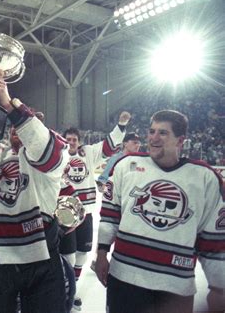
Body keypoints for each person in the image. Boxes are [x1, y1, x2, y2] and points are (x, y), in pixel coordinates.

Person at [0, 67, 70, 313]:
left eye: (24, 126)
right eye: (14, 126)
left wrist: (10, 104)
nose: (17, 130)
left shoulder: (50, 156)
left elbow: (42, 146)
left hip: (41, 254)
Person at [95, 110, 224, 313]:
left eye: (163, 133)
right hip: (124, 277)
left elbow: (213, 239)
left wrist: (219, 288)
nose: (154, 138)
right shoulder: (126, 166)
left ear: (180, 140)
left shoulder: (205, 178)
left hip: (175, 287)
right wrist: (102, 252)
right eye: (152, 131)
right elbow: (110, 215)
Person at [60, 112, 130, 310]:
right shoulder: (56, 155)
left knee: (82, 254)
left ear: (80, 142)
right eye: (68, 139)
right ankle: (65, 291)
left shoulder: (88, 153)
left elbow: (107, 146)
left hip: (86, 213)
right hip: (64, 215)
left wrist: (121, 125)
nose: (71, 142)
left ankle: (70, 291)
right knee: (67, 256)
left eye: (74, 139)